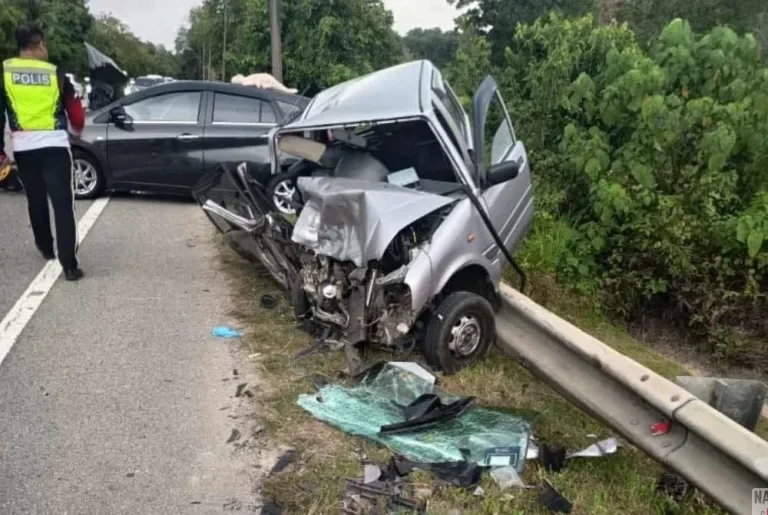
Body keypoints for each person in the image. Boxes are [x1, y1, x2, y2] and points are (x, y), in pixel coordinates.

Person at [0, 25, 86, 281]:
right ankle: (69, 265)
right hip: (56, 147)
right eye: (45, 45)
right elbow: (76, 113)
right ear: (38, 45)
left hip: (25, 149)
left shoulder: (4, 71)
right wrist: (77, 130)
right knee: (62, 204)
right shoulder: (56, 73)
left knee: (35, 199)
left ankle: (46, 247)